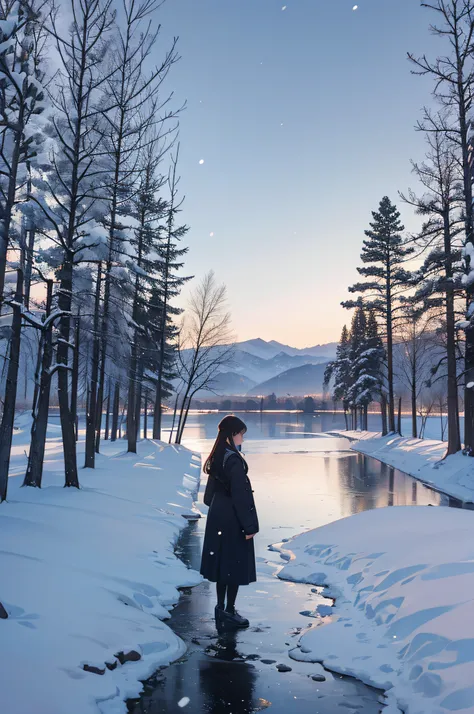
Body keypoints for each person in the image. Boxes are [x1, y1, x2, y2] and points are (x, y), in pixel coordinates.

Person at [200, 415, 259, 629]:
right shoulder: (233, 459)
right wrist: (249, 526)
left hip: (218, 517)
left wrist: (218, 509)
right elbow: (241, 497)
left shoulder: (218, 456)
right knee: (234, 565)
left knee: (223, 564)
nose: (243, 437)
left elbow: (208, 497)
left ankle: (220, 608)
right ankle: (230, 610)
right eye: (241, 433)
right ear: (232, 434)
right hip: (233, 519)